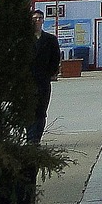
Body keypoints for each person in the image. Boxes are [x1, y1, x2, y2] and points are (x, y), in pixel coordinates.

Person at [29, 10, 60, 144]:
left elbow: (55, 58)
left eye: (40, 18)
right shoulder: (25, 39)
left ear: (43, 20)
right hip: (28, 80)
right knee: (29, 110)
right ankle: (30, 137)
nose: (37, 21)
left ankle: (36, 138)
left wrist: (49, 73)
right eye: (35, 18)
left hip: (43, 80)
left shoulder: (50, 39)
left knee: (41, 110)